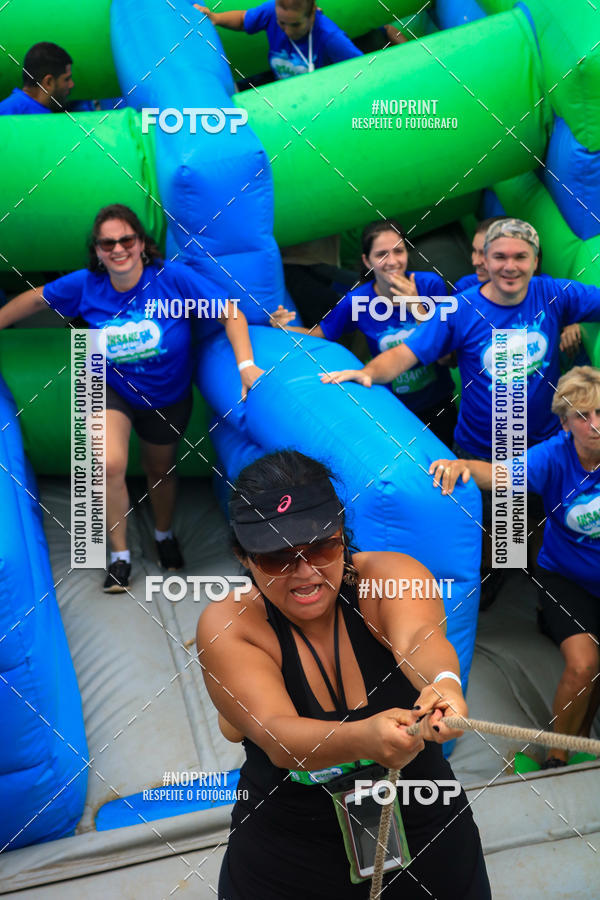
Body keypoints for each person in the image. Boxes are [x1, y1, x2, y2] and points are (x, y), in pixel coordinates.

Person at [196, 449, 491, 898]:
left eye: (321, 547)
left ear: (343, 534)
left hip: (422, 815)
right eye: (277, 558)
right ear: (245, 557)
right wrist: (365, 739)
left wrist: (444, 684)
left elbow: (418, 638)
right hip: (289, 840)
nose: (305, 573)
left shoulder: (390, 577)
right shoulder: (230, 624)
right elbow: (277, 737)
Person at [0, 204, 262, 593]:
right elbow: (37, 299)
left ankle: (162, 534)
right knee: (106, 464)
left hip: (166, 396)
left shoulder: (172, 279)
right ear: (98, 250)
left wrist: (245, 365)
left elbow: (230, 312)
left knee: (161, 471)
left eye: (126, 239)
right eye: (108, 243)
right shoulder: (87, 284)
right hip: (111, 389)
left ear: (141, 243)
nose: (118, 249)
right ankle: (119, 557)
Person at [429, 366, 600, 768]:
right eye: (582, 415)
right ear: (565, 423)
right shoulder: (554, 456)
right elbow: (502, 474)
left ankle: (582, 740)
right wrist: (464, 467)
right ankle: (557, 756)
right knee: (585, 662)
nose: (594, 425)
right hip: (567, 577)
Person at [271, 219, 458, 446]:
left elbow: (448, 357)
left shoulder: (430, 285)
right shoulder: (358, 301)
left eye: (398, 251)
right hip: (394, 408)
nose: (392, 261)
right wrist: (283, 328)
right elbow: (321, 333)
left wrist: (415, 306)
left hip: (439, 401)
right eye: (381, 254)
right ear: (366, 260)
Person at [195, 0, 362, 81]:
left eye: (295, 25)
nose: (287, 31)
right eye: (282, 23)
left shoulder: (330, 37)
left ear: (313, 14)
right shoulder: (271, 11)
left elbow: (362, 71)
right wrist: (215, 18)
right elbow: (243, 19)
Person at [0, 42, 74, 115]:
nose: (71, 84)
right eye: (66, 79)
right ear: (48, 82)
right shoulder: (40, 119)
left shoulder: (8, 108)